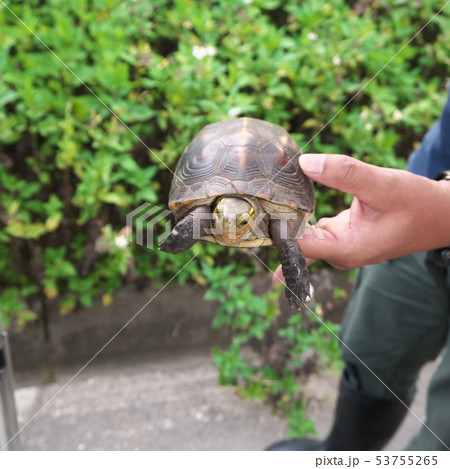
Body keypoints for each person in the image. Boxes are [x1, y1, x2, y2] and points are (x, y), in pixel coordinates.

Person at [267, 87, 450, 451]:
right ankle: (343, 452)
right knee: (373, 347)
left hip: (437, 206)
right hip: (426, 187)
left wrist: (442, 211)